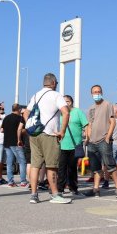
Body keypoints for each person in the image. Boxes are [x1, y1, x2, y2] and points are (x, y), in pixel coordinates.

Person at [23, 73, 72, 204]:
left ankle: (34, 195)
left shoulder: (36, 95)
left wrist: (31, 125)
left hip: (34, 134)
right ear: (54, 83)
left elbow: (26, 112)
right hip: (49, 134)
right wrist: (62, 131)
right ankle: (55, 194)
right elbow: (66, 112)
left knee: (35, 165)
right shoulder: (56, 95)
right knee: (52, 166)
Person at [83, 85, 117, 198]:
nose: (97, 94)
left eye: (98, 91)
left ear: (102, 92)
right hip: (92, 142)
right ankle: (96, 189)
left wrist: (107, 137)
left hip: (103, 140)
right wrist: (88, 139)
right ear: (91, 94)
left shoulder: (108, 105)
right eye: (95, 92)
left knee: (110, 165)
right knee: (95, 168)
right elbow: (90, 125)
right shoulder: (90, 108)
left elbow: (112, 122)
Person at [57, 95, 88, 195]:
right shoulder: (59, 113)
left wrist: (87, 137)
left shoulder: (77, 112)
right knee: (61, 168)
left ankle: (73, 188)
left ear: (72, 102)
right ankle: (60, 189)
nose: (66, 103)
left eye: (68, 101)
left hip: (75, 145)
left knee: (72, 168)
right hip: (61, 144)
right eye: (64, 102)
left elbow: (86, 125)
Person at [2, 103, 28, 187]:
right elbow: (21, 130)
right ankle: (23, 181)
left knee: (9, 163)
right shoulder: (20, 118)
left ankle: (10, 181)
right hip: (16, 142)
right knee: (22, 162)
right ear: (19, 109)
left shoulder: (6, 118)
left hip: (6, 143)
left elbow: (2, 130)